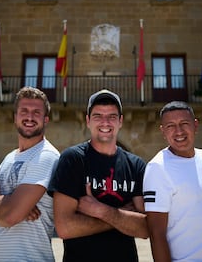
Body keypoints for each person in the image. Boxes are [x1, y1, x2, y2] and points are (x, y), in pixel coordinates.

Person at [48, 89, 149, 262]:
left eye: (111, 116)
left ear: (120, 121)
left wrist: (101, 211)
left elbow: (145, 228)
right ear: (88, 121)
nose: (105, 122)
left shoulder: (136, 165)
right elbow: (64, 227)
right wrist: (121, 216)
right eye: (98, 116)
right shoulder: (72, 160)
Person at [143, 101, 202, 262]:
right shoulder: (157, 168)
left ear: (195, 126)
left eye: (184, 123)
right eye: (170, 126)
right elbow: (156, 233)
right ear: (163, 131)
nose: (178, 131)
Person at [0, 87, 60, 262]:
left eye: (36, 112)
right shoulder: (9, 158)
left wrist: (2, 208)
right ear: (15, 117)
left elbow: (9, 217)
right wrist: (11, 202)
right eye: (24, 111)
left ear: (46, 119)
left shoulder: (46, 156)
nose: (29, 117)